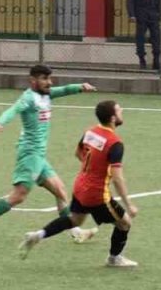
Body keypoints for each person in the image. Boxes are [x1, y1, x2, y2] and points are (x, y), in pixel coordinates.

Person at [0, 64, 96, 247]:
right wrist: (0, 122)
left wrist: (80, 86)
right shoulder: (28, 98)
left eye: (49, 78)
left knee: (60, 191)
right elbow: (12, 110)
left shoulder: (46, 94)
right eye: (44, 79)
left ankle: (76, 232)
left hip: (39, 156)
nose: (49, 82)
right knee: (18, 196)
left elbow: (64, 90)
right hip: (30, 154)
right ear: (33, 80)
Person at [18, 100, 139, 268]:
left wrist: (92, 169)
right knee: (125, 222)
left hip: (80, 186)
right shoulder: (115, 143)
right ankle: (114, 258)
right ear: (112, 118)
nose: (122, 111)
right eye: (119, 110)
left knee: (75, 220)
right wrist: (129, 205)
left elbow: (78, 153)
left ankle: (38, 235)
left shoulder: (91, 131)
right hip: (97, 194)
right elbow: (117, 178)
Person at [126, 0, 161, 71]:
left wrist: (160, 13)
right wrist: (132, 14)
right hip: (141, 13)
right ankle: (142, 60)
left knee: (156, 37)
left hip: (153, 14)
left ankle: (156, 60)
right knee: (140, 37)